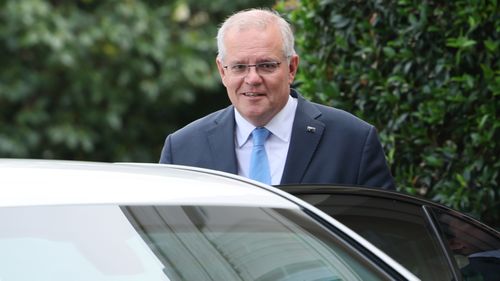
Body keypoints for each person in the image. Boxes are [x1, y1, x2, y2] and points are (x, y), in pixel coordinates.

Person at [159, 8, 395, 189]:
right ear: (223, 71)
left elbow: (384, 236)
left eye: (266, 65)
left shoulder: (352, 141)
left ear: (291, 68)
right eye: (239, 67)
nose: (252, 78)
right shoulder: (182, 150)